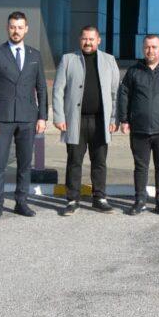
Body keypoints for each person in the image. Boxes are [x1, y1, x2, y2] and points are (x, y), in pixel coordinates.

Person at [0, 11, 47, 221]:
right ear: (7, 28)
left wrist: (42, 117)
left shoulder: (35, 55)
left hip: (28, 118)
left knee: (25, 163)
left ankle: (21, 202)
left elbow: (42, 88)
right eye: (12, 27)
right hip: (1, 118)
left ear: (26, 29)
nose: (16, 31)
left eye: (20, 27)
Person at [52, 25, 120, 216]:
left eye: (91, 39)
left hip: (100, 121)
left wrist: (114, 118)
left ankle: (99, 198)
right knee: (74, 161)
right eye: (84, 39)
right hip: (75, 121)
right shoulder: (68, 59)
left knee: (99, 161)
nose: (88, 42)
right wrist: (59, 116)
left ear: (98, 40)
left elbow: (115, 93)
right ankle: (72, 200)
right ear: (79, 40)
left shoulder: (109, 60)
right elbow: (57, 90)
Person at [116, 35, 159, 216]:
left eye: (154, 47)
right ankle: (140, 200)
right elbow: (124, 95)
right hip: (139, 129)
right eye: (147, 47)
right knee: (140, 167)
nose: (150, 50)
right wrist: (124, 120)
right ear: (143, 49)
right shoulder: (134, 71)